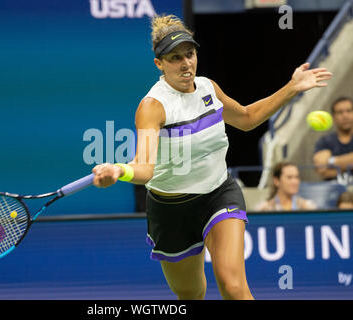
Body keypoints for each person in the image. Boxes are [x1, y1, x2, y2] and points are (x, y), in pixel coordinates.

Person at [92, 14, 332, 300]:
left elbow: (246, 118)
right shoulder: (153, 106)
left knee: (233, 286)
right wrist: (119, 170)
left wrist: (292, 88)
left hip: (219, 194)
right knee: (191, 294)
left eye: (190, 54)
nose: (186, 64)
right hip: (171, 210)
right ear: (159, 64)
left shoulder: (208, 88)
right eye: (175, 58)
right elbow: (144, 169)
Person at [313, 97, 353, 181]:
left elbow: (327, 167)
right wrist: (349, 163)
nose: (345, 116)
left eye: (349, 111)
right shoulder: (325, 141)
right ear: (333, 117)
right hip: (333, 191)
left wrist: (331, 162)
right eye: (340, 112)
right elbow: (322, 169)